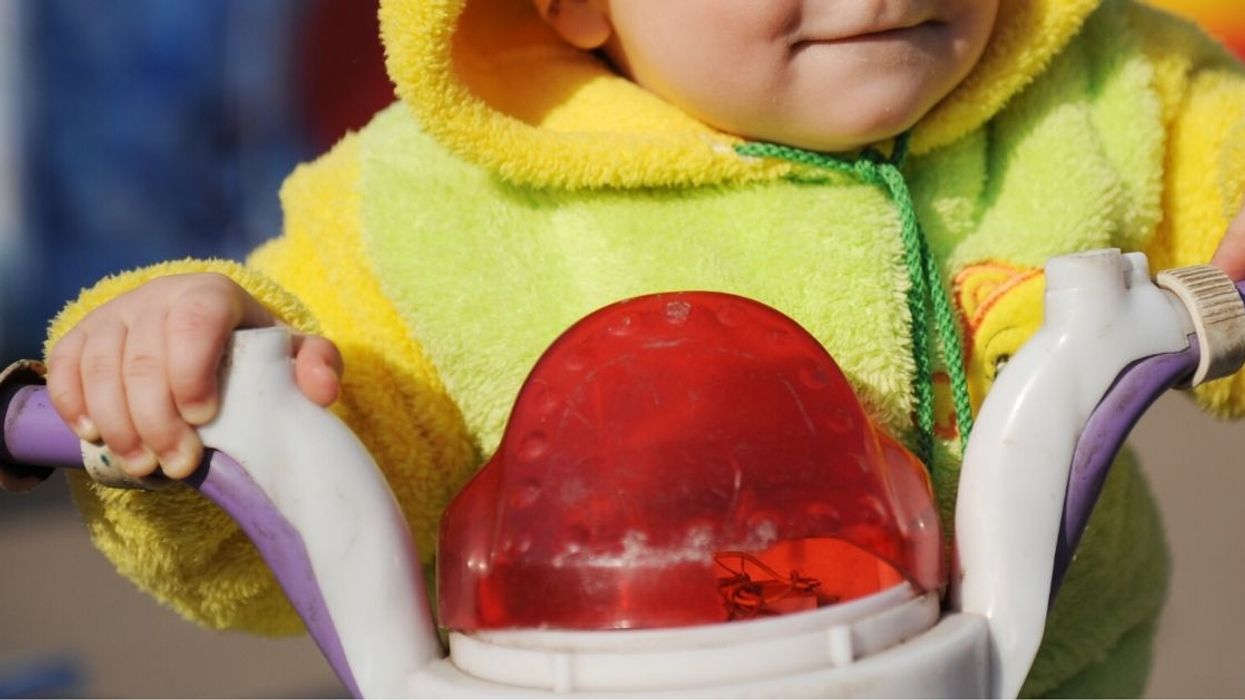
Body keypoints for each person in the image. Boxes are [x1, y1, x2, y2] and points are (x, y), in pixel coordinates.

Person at [32, 0, 1245, 695]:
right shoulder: (440, 201)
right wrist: (194, 379)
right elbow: (316, 472)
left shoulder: (1099, 89)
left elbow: (1220, 166)